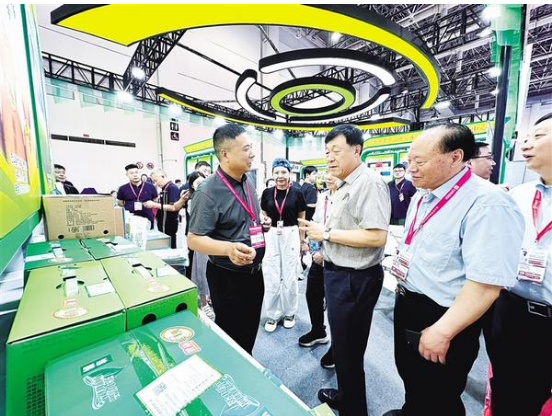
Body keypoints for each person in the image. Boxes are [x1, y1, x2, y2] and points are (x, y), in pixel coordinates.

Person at [383, 124, 525, 416]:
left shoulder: (487, 203)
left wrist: (444, 330)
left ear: (455, 157)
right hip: (409, 302)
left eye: (419, 161)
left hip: (444, 316)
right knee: (413, 377)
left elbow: (486, 284)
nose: (410, 169)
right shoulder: (423, 195)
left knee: (440, 394)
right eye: (409, 161)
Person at [299, 124, 391, 416]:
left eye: (336, 151)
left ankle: (353, 409)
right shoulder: (342, 184)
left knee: (349, 348)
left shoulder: (369, 183)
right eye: (327, 152)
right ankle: (347, 396)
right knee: (343, 345)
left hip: (355, 278)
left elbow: (376, 237)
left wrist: (325, 234)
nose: (330, 158)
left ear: (356, 150)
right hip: (338, 273)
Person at [487, 113, 552, 416]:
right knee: (508, 393)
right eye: (526, 138)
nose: (526, 144)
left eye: (538, 136)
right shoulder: (519, 195)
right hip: (513, 310)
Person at [187, 123, 270, 354]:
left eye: (251, 147)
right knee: (232, 337)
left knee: (249, 331)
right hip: (228, 278)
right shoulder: (208, 191)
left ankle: (246, 363)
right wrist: (228, 249)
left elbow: (245, 216)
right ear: (225, 154)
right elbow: (193, 239)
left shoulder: (247, 180)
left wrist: (261, 222)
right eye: (246, 149)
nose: (252, 154)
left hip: (254, 272)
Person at [261, 158, 307, 332]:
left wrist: (302, 241)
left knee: (290, 276)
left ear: (290, 174)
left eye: (283, 172)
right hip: (271, 234)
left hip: (291, 233)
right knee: (271, 275)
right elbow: (263, 213)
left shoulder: (297, 193)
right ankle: (272, 315)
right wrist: (264, 220)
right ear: (272, 174)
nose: (280, 176)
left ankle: (289, 313)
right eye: (276, 172)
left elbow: (302, 219)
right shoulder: (267, 193)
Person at [299, 172, 338, 370]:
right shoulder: (322, 197)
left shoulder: (347, 197)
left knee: (335, 306)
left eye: (334, 173)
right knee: (312, 294)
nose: (329, 177)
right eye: (327, 173)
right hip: (318, 258)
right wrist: (315, 250)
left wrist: (324, 253)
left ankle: (338, 348)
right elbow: (314, 226)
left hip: (337, 260)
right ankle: (318, 330)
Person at [186, 171, 214, 319]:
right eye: (198, 183)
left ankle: (212, 297)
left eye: (204, 181)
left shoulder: (214, 196)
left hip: (216, 240)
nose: (202, 185)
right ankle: (204, 303)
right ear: (192, 186)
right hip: (202, 240)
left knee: (214, 272)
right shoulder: (193, 201)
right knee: (202, 271)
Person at [144, 169, 181, 249]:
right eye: (154, 181)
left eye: (156, 180)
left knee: (170, 247)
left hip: (169, 223)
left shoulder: (172, 188)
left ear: (163, 176)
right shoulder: (164, 189)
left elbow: (173, 207)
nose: (155, 183)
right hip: (164, 223)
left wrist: (154, 204)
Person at [117, 164, 158, 228]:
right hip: (130, 220)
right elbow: (120, 203)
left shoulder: (151, 186)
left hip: (147, 219)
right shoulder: (122, 188)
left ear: (140, 173)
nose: (135, 175)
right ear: (127, 175)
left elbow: (155, 200)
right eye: (131, 173)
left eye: (137, 172)